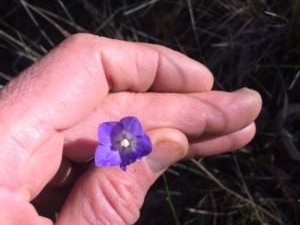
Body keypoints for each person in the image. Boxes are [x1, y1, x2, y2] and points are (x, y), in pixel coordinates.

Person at [0, 34, 262, 225]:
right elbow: (117, 142)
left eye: (127, 140)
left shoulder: (132, 138)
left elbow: (135, 142)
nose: (125, 143)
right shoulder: (114, 146)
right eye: (125, 140)